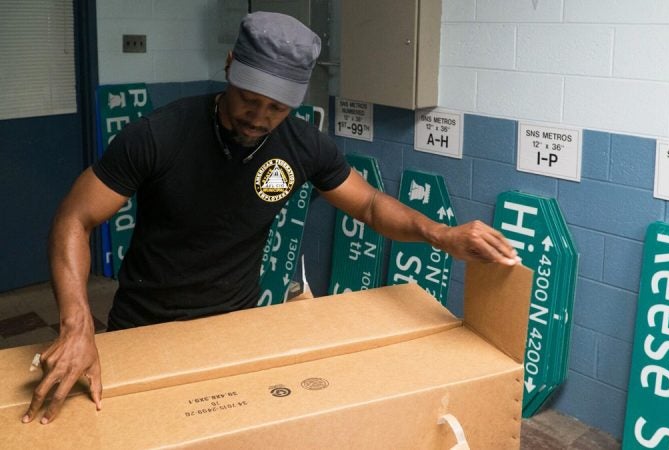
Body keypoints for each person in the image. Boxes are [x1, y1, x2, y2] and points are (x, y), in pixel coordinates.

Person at [21, 12, 519, 425]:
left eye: (277, 107)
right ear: (230, 65)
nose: (259, 117)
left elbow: (367, 204)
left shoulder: (303, 146)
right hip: (143, 328)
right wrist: (77, 323)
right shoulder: (158, 135)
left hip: (237, 327)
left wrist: (440, 234)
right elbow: (74, 218)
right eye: (249, 99)